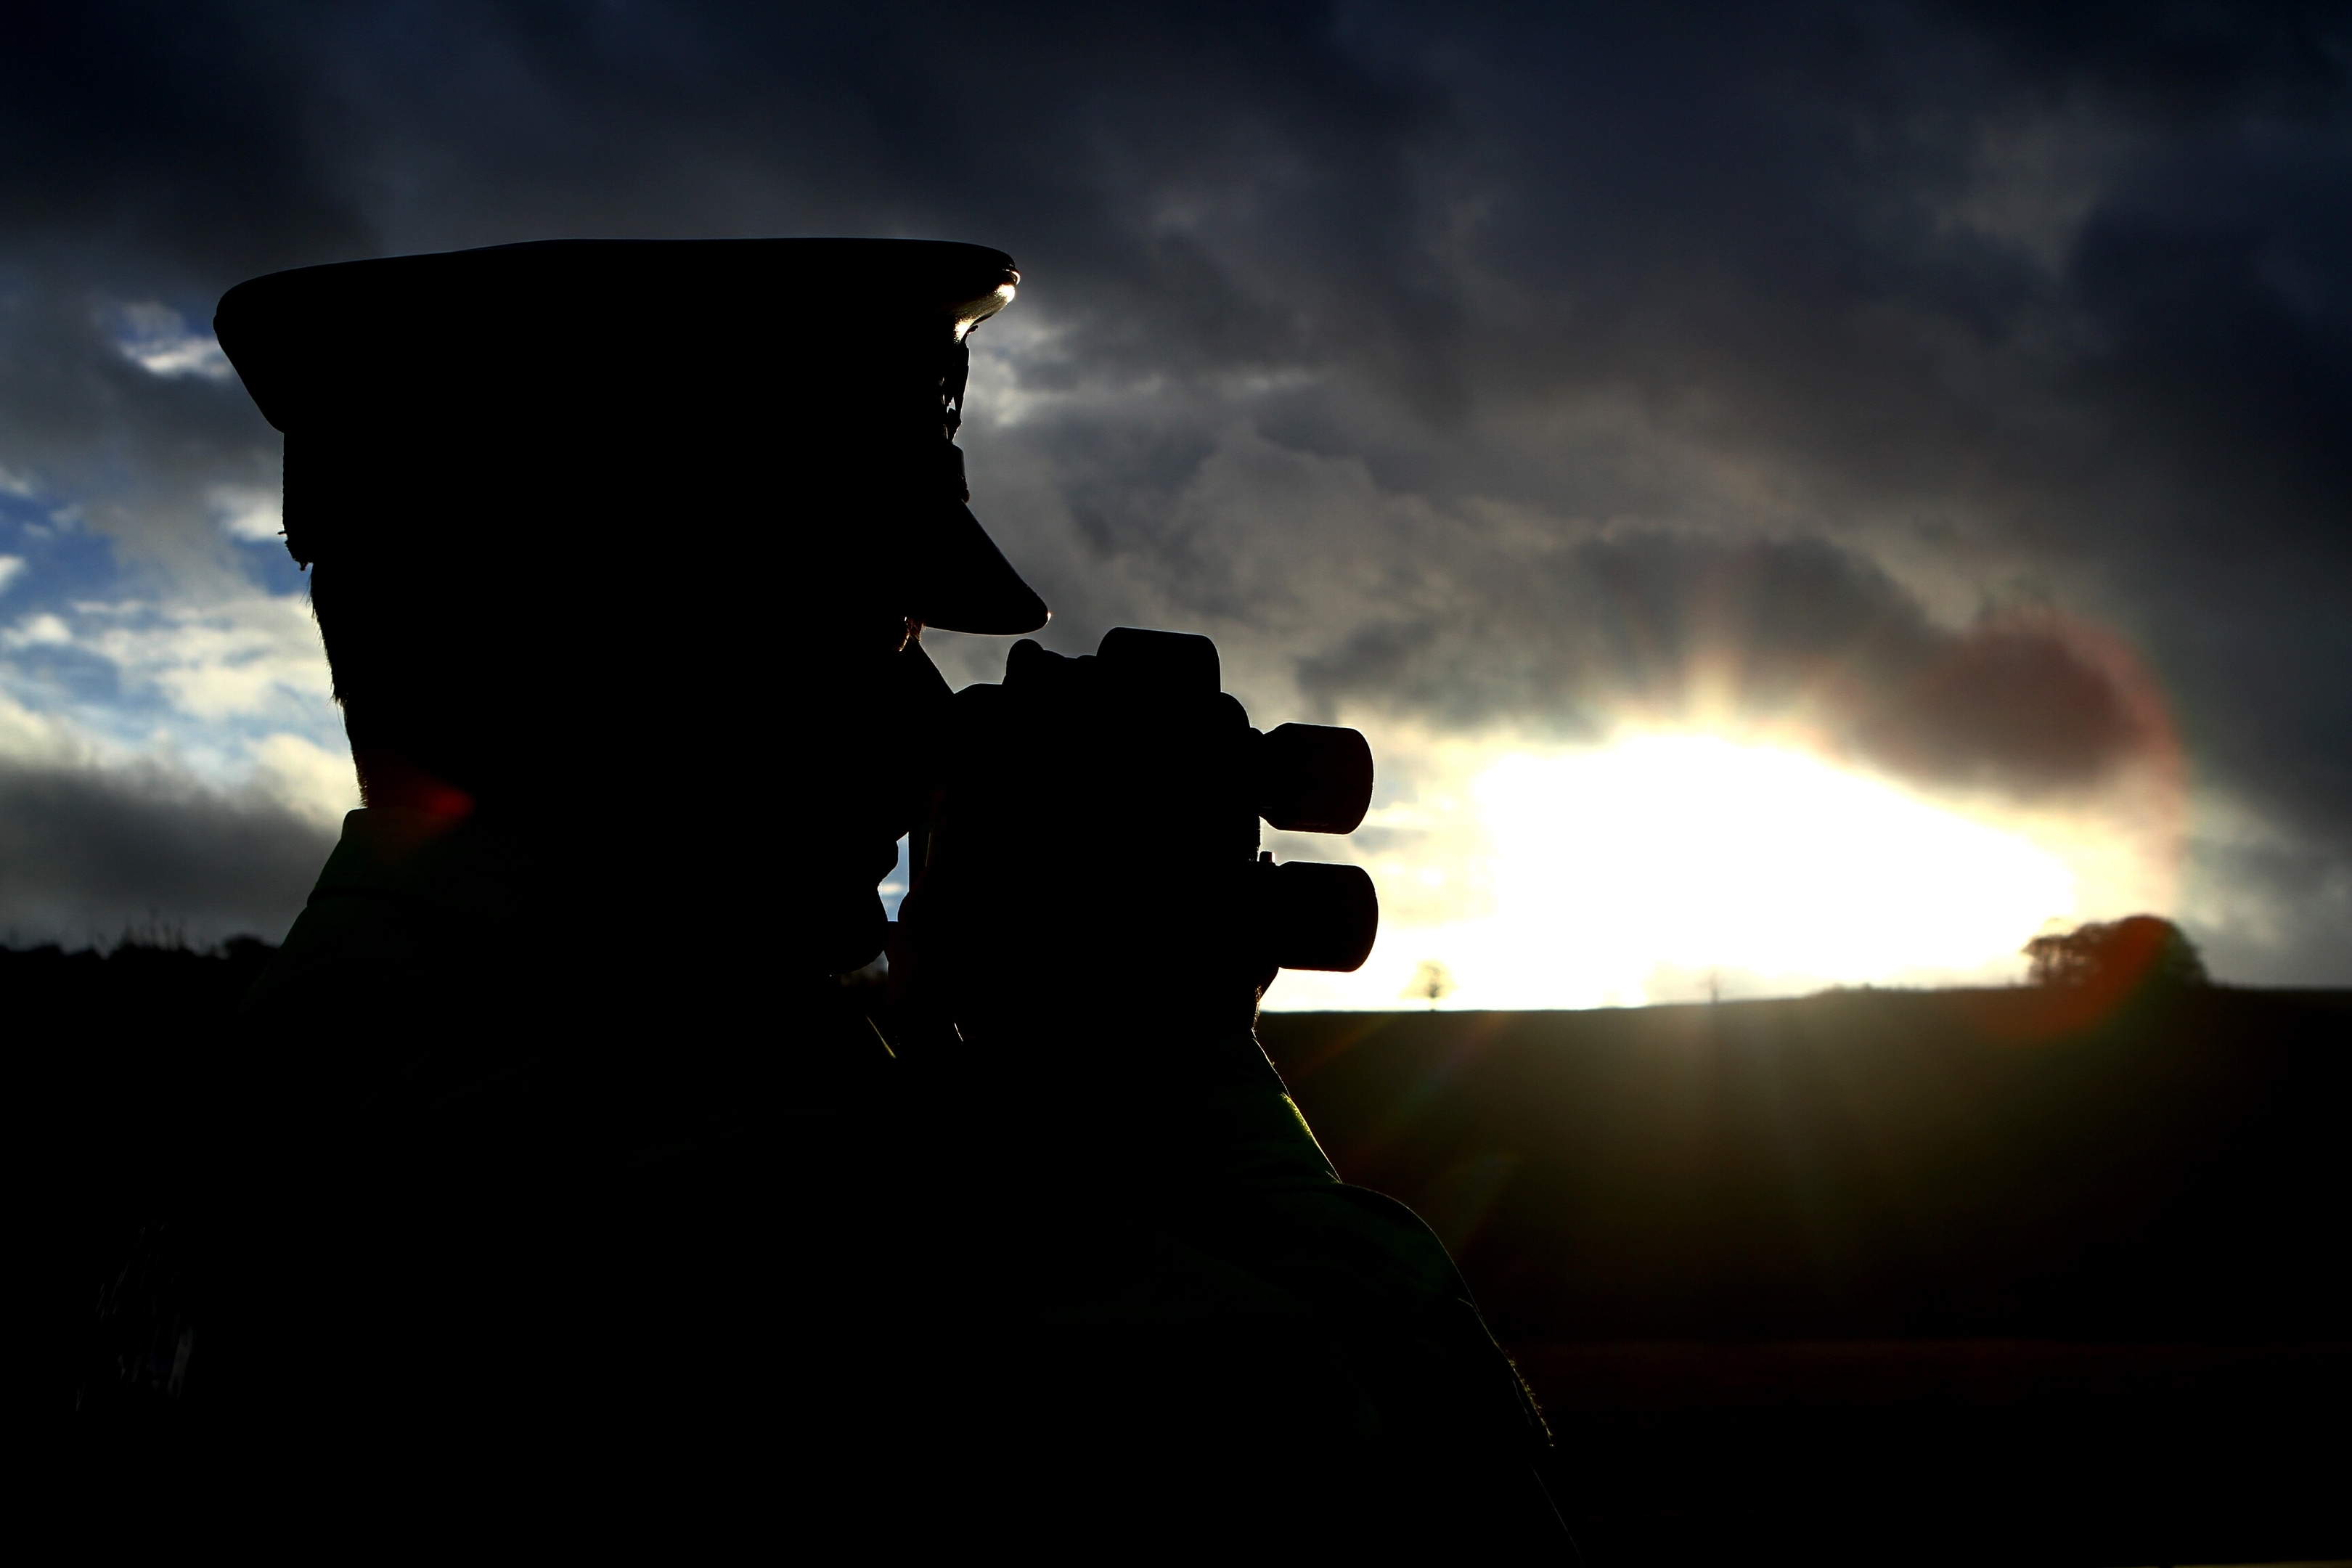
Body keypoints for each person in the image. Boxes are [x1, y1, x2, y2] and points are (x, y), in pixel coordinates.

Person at [193, 237, 1566, 1550]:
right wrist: (1165, 1063)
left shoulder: (325, 1069)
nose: (919, 712)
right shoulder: (753, 1240)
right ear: (595, 656)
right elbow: (1428, 1540)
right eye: (869, 629)